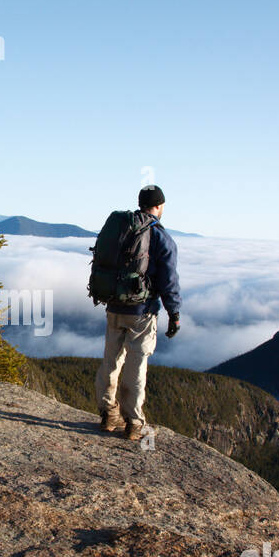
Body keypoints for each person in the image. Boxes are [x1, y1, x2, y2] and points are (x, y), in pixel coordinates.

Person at [95, 185, 181, 440]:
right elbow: (169, 280)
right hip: (141, 311)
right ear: (159, 206)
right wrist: (174, 313)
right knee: (136, 366)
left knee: (111, 361)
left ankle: (108, 415)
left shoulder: (122, 226)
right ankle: (133, 423)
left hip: (114, 305)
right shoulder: (159, 236)